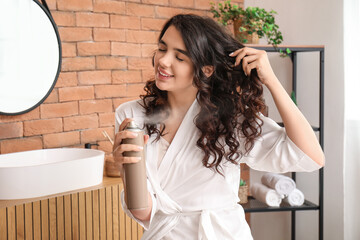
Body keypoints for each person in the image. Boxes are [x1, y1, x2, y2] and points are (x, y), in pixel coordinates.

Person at [113, 14, 324, 240]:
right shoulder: (132, 116)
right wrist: (125, 167)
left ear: (207, 69)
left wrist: (271, 80)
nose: (163, 61)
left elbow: (312, 156)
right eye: (162, 49)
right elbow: (143, 212)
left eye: (180, 57)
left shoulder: (229, 117)